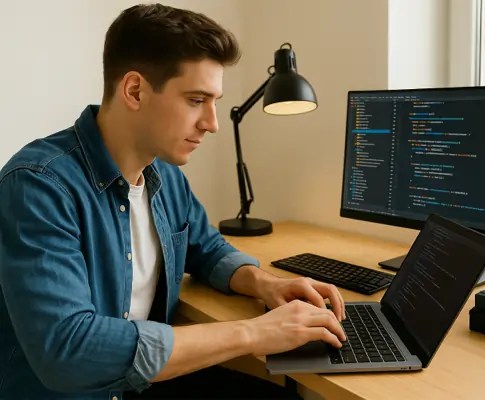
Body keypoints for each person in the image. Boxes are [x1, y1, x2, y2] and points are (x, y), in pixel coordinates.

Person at [0, 3, 346, 399]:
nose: (212, 123)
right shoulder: (38, 186)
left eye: (214, 101)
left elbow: (206, 247)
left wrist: (265, 284)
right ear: (134, 90)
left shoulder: (165, 178)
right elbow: (69, 350)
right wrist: (253, 333)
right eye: (196, 100)